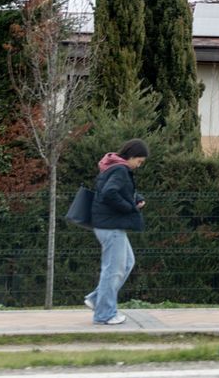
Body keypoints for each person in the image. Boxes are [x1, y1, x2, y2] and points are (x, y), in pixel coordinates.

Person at [84, 139, 148, 325]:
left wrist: (135, 199)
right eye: (139, 161)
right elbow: (109, 193)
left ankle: (97, 299)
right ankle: (105, 314)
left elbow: (117, 192)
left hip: (108, 225)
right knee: (113, 270)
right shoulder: (120, 170)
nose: (138, 166)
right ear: (132, 156)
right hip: (110, 226)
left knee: (127, 262)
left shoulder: (114, 167)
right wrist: (130, 208)